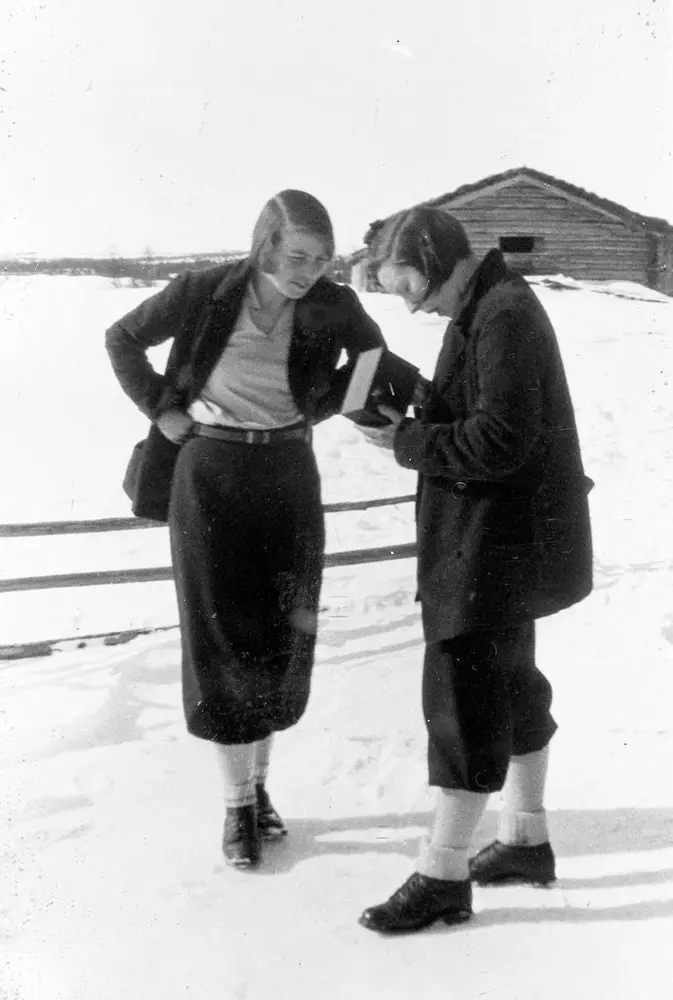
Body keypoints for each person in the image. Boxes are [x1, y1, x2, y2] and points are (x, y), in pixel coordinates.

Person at [105, 190, 388, 869]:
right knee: (219, 635)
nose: (308, 272)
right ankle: (235, 806)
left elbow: (373, 360)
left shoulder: (331, 303)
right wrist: (163, 411)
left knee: (277, 633)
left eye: (321, 260)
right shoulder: (204, 290)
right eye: (296, 256)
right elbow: (122, 338)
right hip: (209, 472)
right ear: (265, 246)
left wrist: (320, 410)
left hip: (288, 474)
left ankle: (259, 789)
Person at [355, 206, 593, 933]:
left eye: (409, 288)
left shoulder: (502, 314)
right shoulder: (487, 304)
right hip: (500, 543)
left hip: (492, 546)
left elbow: (501, 439)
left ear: (434, 260)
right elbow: (489, 412)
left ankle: (441, 873)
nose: (413, 304)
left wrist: (407, 442)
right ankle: (524, 839)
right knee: (514, 689)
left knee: (462, 701)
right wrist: (422, 403)